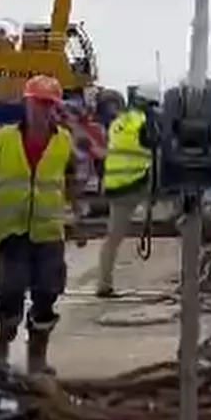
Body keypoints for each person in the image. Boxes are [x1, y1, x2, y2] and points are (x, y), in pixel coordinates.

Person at [0, 74, 83, 374]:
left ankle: (37, 354)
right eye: (38, 103)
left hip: (48, 231)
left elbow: (71, 181)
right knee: (11, 291)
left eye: (49, 105)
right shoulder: (1, 140)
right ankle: (3, 340)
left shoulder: (63, 141)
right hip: (12, 230)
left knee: (47, 291)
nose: (43, 110)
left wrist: (79, 215)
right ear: (27, 103)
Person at [94, 87, 159, 298]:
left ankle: (104, 284)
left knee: (112, 238)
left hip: (115, 186)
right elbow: (159, 148)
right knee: (187, 213)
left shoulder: (118, 123)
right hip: (138, 183)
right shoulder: (146, 123)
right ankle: (192, 273)